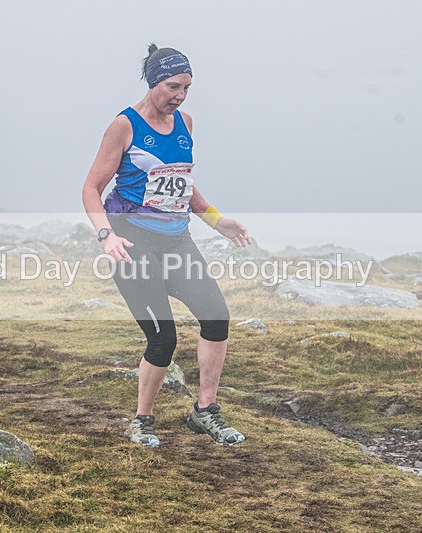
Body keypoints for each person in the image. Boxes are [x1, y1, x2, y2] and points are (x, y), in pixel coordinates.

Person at [82, 44, 251, 447]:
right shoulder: (124, 126)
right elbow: (91, 188)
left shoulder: (185, 123)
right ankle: (142, 420)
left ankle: (204, 411)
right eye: (173, 86)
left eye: (187, 87)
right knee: (163, 338)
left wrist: (217, 220)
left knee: (216, 318)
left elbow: (182, 183)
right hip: (132, 244)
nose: (179, 95)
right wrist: (106, 235)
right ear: (154, 81)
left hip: (178, 241)